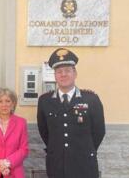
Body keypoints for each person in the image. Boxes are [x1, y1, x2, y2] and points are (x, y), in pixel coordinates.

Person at [37, 48, 106, 178]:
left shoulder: (91, 99)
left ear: (75, 74)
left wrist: (84, 150)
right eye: (59, 71)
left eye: (68, 70)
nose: (63, 75)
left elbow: (99, 131)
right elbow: (44, 132)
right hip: (57, 163)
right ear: (55, 76)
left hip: (84, 162)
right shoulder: (44, 101)